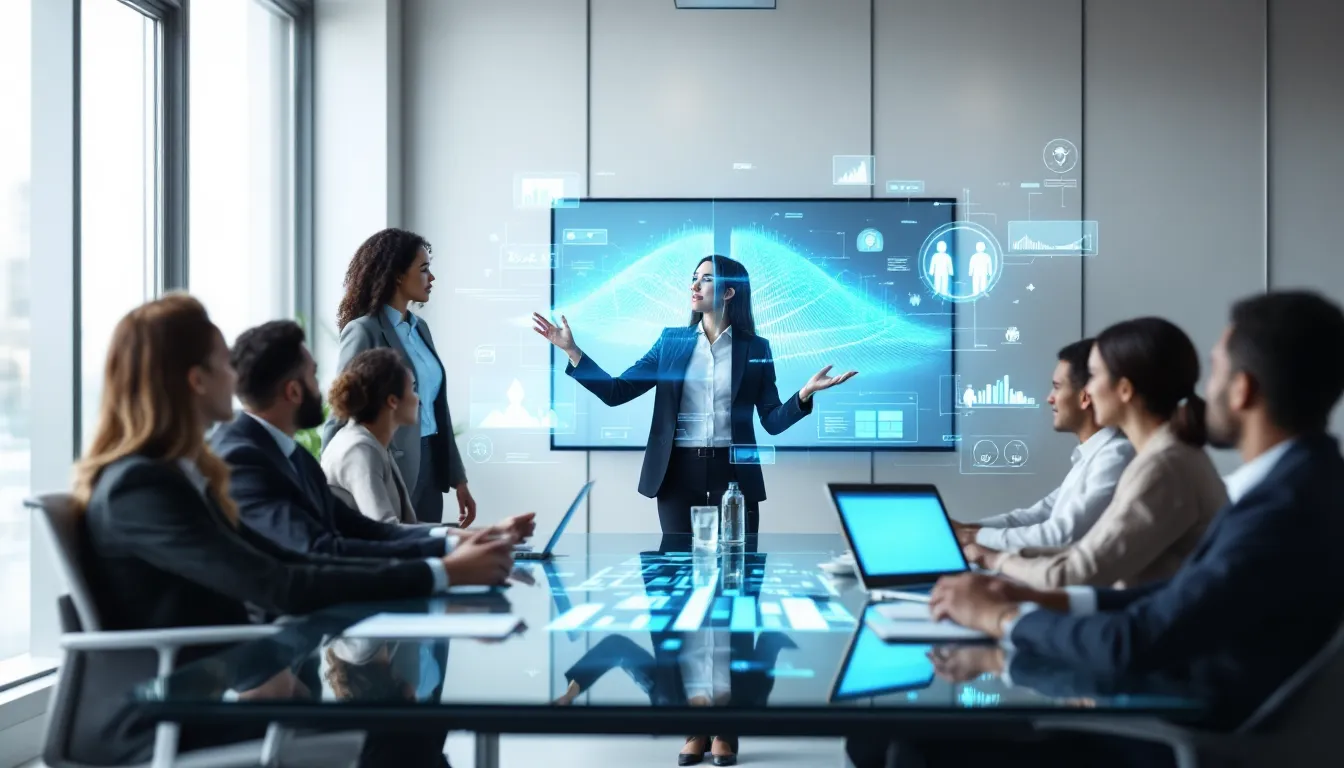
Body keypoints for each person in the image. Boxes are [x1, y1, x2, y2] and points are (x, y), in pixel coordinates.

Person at [70, 294, 514, 766]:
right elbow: (278, 582)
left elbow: (294, 563)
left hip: (211, 693)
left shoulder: (179, 476)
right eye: (225, 364)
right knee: (400, 730)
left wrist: (445, 555)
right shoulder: (143, 487)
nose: (235, 378)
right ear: (196, 380)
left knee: (408, 726)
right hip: (161, 721)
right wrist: (442, 573)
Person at [929, 290, 1344, 734]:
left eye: (1218, 370)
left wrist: (1001, 618)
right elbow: (1173, 599)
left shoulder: (1278, 510)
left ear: (1242, 390)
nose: (1206, 389)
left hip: (1177, 726)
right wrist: (1034, 599)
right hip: (1173, 695)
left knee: (915, 747)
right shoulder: (1304, 484)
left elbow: (1132, 640)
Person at [533, 254, 858, 534]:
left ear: (729, 292)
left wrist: (803, 394)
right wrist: (574, 352)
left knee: (740, 570)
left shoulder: (756, 349)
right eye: (693, 279)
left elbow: (771, 421)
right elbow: (617, 392)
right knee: (676, 570)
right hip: (676, 474)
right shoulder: (671, 343)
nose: (694, 286)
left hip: (734, 474)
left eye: (706, 280)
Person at [213, 320, 534, 559]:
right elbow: (322, 549)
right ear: (293, 391)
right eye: (313, 375)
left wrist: (479, 537)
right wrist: (444, 570)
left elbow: (367, 529)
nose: (322, 386)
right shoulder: (244, 458)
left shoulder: (295, 456)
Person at [964, 318, 1227, 589]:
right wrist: (984, 544)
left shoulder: (1162, 467)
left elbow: (1083, 568)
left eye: (1095, 376)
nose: (1087, 390)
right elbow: (1086, 552)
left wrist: (994, 559)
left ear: (1124, 389)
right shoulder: (1166, 456)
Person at [325, 227, 470, 526]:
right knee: (398, 553)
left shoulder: (421, 329)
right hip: (390, 467)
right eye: (424, 269)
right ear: (398, 276)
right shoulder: (364, 330)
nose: (432, 279)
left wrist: (458, 479)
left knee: (427, 553)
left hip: (431, 466)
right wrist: (322, 486)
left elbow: (436, 408)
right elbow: (341, 407)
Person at [952, 339, 1134, 551]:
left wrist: (972, 537)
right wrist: (969, 530)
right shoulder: (1091, 456)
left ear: (1085, 397)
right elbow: (1039, 514)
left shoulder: (1116, 455)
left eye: (1057, 388)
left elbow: (1063, 535)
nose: (1050, 398)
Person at [322, 348, 420, 524]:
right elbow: (385, 529)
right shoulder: (359, 450)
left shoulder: (371, 441)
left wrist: (459, 535)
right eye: (412, 389)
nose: (417, 399)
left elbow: (405, 527)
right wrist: (454, 538)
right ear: (392, 401)